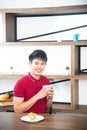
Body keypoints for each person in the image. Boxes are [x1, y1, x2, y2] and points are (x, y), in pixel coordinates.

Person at [13, 49, 54, 113]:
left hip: (41, 119)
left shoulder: (46, 81)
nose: (39, 67)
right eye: (36, 63)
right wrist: (38, 96)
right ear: (30, 63)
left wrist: (50, 98)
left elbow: (47, 108)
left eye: (42, 64)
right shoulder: (20, 83)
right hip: (25, 120)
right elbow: (17, 110)